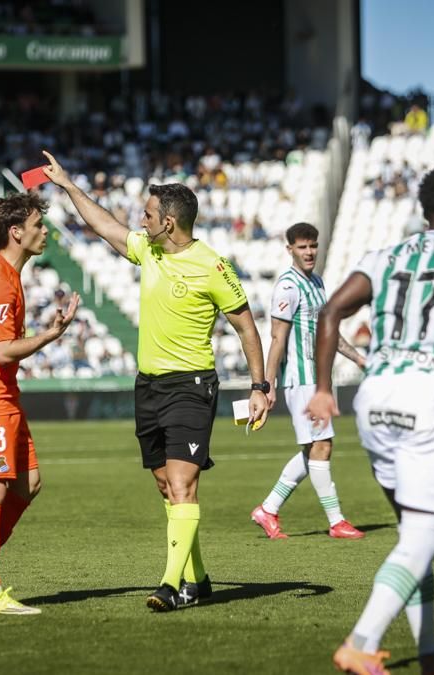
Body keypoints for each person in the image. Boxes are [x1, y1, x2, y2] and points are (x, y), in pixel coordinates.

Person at [307, 165, 434, 674]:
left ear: (424, 211)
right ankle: (361, 641)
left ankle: (430, 656)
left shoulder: (387, 254)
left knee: (411, 535)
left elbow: (330, 312)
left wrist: (323, 388)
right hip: (430, 396)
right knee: (423, 537)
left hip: (374, 397)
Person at [43, 150, 271, 612]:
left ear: (169, 223)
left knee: (185, 485)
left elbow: (246, 326)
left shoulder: (213, 266)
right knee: (166, 485)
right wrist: (67, 186)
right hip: (148, 387)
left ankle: (172, 586)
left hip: (191, 385)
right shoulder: (147, 249)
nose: (138, 220)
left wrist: (258, 386)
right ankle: (200, 577)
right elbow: (103, 225)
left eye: (147, 214)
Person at [0, 192, 81, 616]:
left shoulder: (4, 273)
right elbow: (3, 350)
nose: (45, 232)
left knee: (28, 482)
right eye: (39, 225)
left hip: (0, 392)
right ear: (16, 232)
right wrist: (48, 336)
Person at [250, 222, 367, 540]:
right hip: (300, 379)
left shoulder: (317, 282)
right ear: (289, 249)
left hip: (317, 379)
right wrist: (266, 384)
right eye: (302, 247)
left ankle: (268, 509)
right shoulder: (288, 286)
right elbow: (277, 338)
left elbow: (327, 332)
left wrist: (357, 358)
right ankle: (336, 520)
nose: (309, 252)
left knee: (313, 448)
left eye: (313, 245)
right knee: (322, 446)